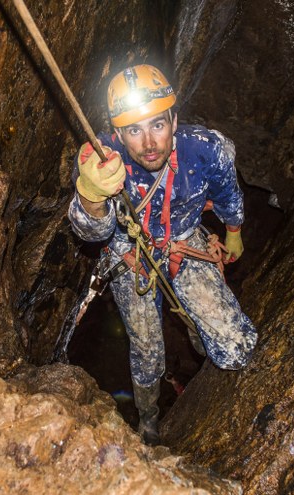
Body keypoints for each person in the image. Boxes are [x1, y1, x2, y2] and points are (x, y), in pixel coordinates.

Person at [68, 64, 257, 445]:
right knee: (148, 350)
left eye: (157, 124)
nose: (149, 142)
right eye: (134, 130)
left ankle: (201, 350)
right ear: (119, 133)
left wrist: (233, 230)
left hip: (184, 244)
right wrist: (90, 196)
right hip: (130, 255)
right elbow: (94, 234)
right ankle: (149, 416)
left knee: (236, 348)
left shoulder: (205, 149)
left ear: (174, 119)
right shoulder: (102, 163)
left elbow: (226, 190)